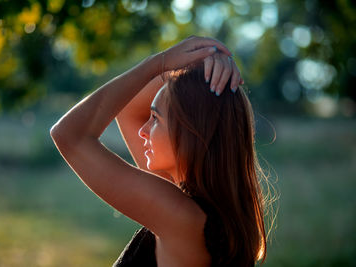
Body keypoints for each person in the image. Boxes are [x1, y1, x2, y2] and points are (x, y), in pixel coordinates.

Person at [50, 36, 269, 266]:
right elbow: (128, 110)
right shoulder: (205, 213)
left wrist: (160, 63)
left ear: (191, 135)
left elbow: (68, 134)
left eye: (154, 118)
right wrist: (194, 68)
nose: (143, 131)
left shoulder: (183, 218)